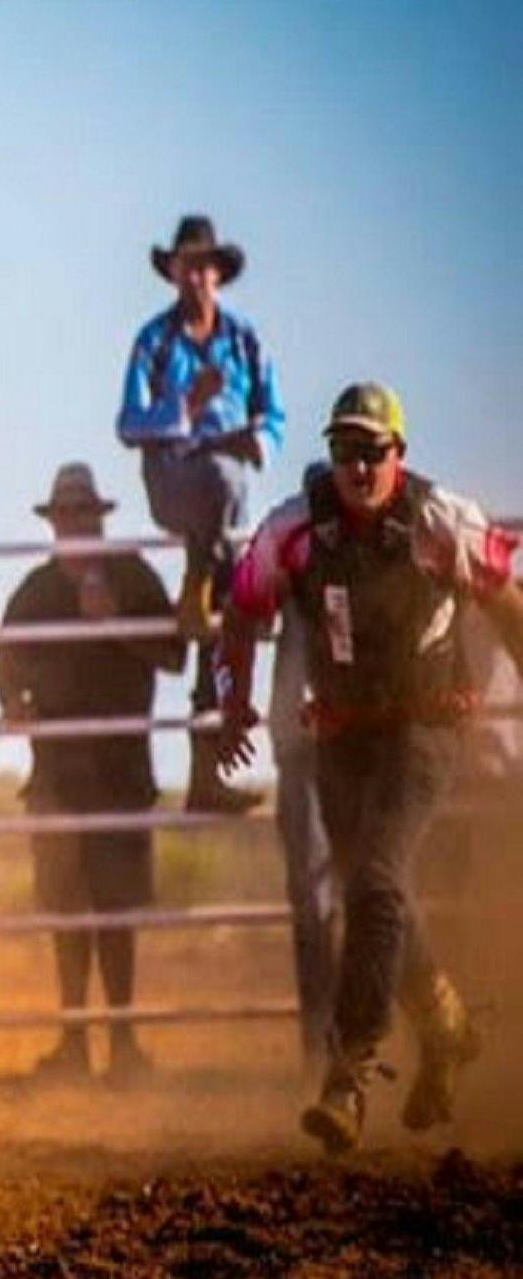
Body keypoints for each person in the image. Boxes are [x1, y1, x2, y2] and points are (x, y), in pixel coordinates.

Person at [216, 382, 523, 1152]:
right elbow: (243, 606)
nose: (357, 466)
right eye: (344, 450)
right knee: (370, 881)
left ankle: (350, 1071)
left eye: (371, 451)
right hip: (346, 730)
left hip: (426, 724)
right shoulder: (294, 530)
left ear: (398, 456)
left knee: (376, 878)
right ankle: (446, 1021)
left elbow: (505, 595)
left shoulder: (438, 519)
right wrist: (234, 703)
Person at [0, 464, 187, 1082]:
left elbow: (174, 653)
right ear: (55, 524)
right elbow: (6, 659)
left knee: (115, 911)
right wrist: (13, 700)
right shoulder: (36, 590)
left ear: (99, 519)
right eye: (66, 516)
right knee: (68, 912)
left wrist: (116, 625)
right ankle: (76, 1041)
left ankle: (122, 1041)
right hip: (56, 774)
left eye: (84, 515)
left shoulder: (131, 576)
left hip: (119, 772)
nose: (74, 525)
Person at [116, 215, 284, 815]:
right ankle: (207, 579)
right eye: (187, 264)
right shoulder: (154, 342)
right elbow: (129, 424)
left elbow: (274, 417)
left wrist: (253, 438)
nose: (196, 275)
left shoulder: (244, 340)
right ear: (173, 273)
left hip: (231, 500)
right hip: (178, 482)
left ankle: (207, 771)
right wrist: (188, 406)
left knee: (223, 619)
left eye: (205, 265)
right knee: (218, 488)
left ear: (218, 274)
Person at [265, 466, 339, 1067]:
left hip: (357, 743)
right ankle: (322, 1045)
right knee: (315, 900)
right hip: (306, 747)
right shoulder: (286, 567)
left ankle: (348, 1040)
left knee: (368, 892)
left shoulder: (372, 562)